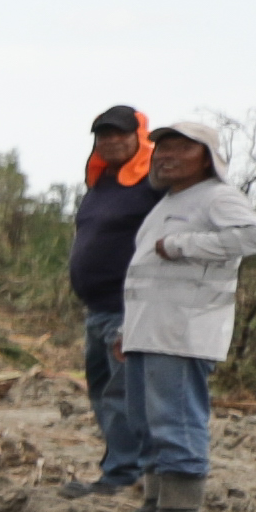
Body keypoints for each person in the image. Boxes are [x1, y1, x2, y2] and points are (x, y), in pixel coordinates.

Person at [115, 124, 256, 512]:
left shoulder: (217, 197)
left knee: (176, 417)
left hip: (185, 332)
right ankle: (157, 499)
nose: (166, 155)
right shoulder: (167, 202)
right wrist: (126, 329)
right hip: (149, 331)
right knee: (147, 419)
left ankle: (181, 507)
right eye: (161, 147)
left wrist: (183, 245)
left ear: (206, 156)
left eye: (180, 148)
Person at [69, 106, 158, 491]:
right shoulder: (101, 183)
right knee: (104, 395)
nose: (111, 142)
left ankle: (126, 475)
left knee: (124, 396)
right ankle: (120, 469)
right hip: (98, 309)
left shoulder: (155, 184)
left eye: (120, 134)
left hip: (131, 309)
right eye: (103, 136)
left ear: (140, 136)